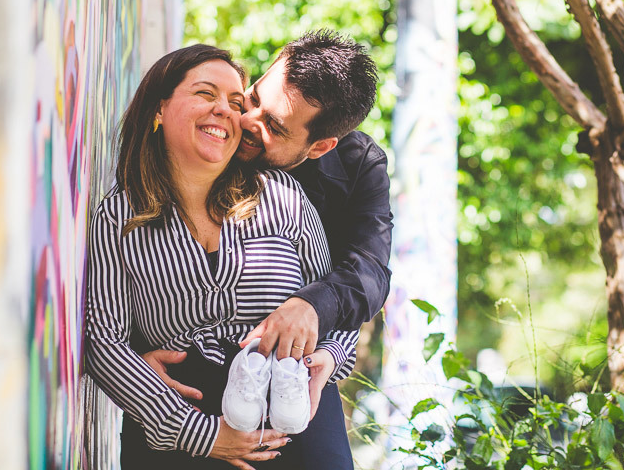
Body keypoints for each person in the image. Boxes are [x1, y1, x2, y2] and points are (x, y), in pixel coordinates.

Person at [85, 43, 359, 470]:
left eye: (235, 101)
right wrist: (202, 434)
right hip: (178, 428)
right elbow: (104, 340)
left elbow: (337, 307)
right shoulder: (121, 215)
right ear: (159, 108)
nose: (227, 112)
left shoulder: (283, 196)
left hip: (294, 414)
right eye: (204, 94)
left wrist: (329, 358)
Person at [143, 30, 394, 469]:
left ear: (321, 146)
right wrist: (136, 361)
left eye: (273, 126)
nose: (246, 121)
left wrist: (315, 321)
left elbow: (368, 275)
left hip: (296, 369)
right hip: (184, 369)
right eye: (254, 98)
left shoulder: (360, 168)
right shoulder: (214, 119)